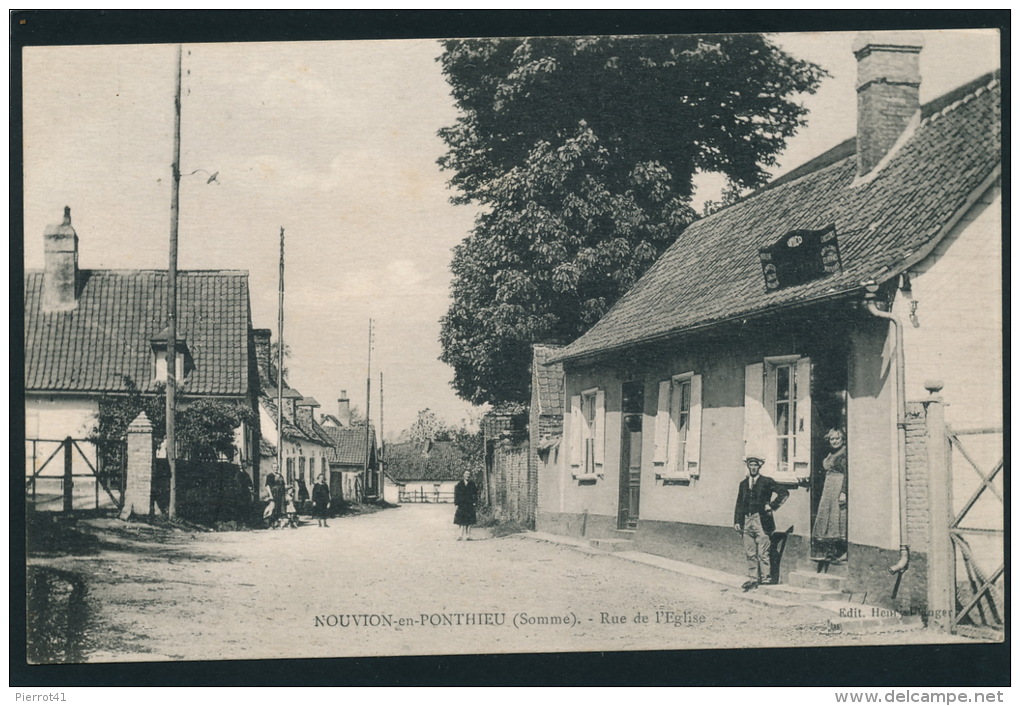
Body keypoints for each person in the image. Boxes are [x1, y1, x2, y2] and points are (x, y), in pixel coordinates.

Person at [733, 451, 789, 590]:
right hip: (747, 520)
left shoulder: (767, 481)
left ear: (759, 467)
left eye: (755, 465)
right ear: (747, 466)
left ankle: (765, 579)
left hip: (762, 521)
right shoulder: (743, 484)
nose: (753, 467)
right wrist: (737, 521)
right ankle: (753, 578)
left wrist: (772, 506)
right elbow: (739, 503)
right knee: (750, 552)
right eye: (750, 465)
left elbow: (784, 493)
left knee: (763, 553)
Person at [812, 428, 848, 562]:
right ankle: (831, 551)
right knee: (828, 517)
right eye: (832, 439)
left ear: (842, 439)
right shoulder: (831, 453)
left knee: (838, 517)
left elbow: (847, 474)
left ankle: (843, 551)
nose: (834, 441)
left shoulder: (844, 453)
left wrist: (843, 492)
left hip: (838, 487)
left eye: (837, 438)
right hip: (828, 489)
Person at [453, 470, 479, 541]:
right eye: (466, 474)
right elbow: (456, 495)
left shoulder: (472, 484)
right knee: (461, 521)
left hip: (470, 504)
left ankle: (468, 536)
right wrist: (456, 504)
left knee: (469, 521)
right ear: (463, 475)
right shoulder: (459, 484)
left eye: (469, 474)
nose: (467, 475)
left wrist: (475, 502)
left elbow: (475, 494)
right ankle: (460, 535)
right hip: (462, 505)